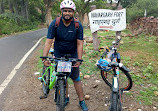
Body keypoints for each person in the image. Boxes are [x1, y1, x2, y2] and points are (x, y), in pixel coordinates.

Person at [42, 0, 88, 110]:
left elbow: (80, 43)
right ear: (61, 11)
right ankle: (65, 97)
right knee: (63, 77)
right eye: (65, 11)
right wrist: (44, 57)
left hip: (72, 54)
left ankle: (81, 101)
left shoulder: (77, 25)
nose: (67, 13)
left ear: (73, 12)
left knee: (76, 79)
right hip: (59, 53)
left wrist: (79, 59)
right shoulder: (55, 24)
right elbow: (49, 41)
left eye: (69, 11)